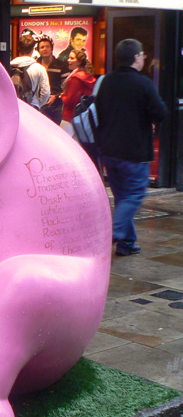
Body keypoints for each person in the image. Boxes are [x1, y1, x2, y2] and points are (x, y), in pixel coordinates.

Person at [95, 38, 168, 256]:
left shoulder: (107, 81)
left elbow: (98, 109)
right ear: (136, 57)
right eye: (142, 55)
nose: (144, 58)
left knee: (121, 196)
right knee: (134, 194)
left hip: (110, 150)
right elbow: (160, 112)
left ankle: (127, 243)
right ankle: (114, 232)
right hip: (133, 151)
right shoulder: (143, 83)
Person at [60, 49, 96, 136]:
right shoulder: (87, 76)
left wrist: (63, 96)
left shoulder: (75, 78)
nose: (69, 60)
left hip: (69, 117)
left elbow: (71, 101)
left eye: (72, 58)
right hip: (81, 118)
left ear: (79, 62)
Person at [9, 34, 50, 110]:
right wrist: (38, 103)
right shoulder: (39, 68)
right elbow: (46, 93)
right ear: (33, 49)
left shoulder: (9, 66)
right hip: (32, 107)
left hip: (13, 106)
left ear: (18, 48)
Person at [36, 35, 69, 125]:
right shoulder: (35, 65)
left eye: (47, 46)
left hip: (57, 105)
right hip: (40, 104)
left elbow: (67, 86)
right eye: (42, 47)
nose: (45, 49)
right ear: (38, 50)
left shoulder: (61, 65)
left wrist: (56, 96)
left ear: (52, 49)